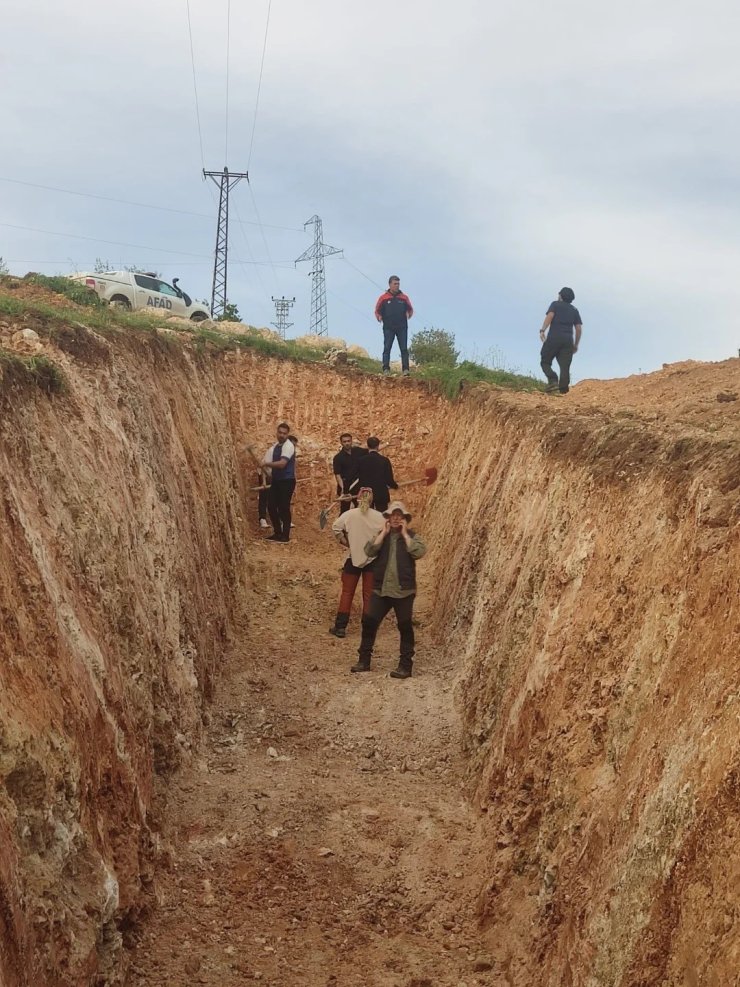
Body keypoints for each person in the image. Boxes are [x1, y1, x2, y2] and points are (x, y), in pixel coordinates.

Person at [351, 501, 426, 678]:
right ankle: (364, 660)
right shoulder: (381, 536)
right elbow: (369, 551)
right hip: (381, 589)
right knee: (369, 623)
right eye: (393, 515)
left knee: (405, 626)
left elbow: (418, 552)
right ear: (388, 518)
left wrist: (406, 534)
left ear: (404, 519)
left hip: (404, 591)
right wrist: (383, 533)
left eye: (399, 516)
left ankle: (405, 666)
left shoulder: (413, 537)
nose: (396, 518)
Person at [329, 488, 385, 638]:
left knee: (347, 593)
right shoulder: (380, 517)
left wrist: (346, 542)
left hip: (353, 557)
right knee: (368, 595)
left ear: (358, 498)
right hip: (372, 559)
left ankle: (340, 627)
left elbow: (336, 527)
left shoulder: (349, 514)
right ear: (372, 499)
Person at [539, 287, 583, 395]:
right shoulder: (574, 310)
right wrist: (576, 344)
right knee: (565, 366)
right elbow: (578, 328)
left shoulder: (555, 304)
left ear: (561, 296)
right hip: (568, 340)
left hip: (554, 337)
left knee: (545, 361)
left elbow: (550, 316)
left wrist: (542, 330)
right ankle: (564, 391)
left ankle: (553, 380)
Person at [262, 423, 296, 542]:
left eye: (284, 433)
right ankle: (277, 533)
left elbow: (282, 464)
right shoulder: (275, 447)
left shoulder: (288, 446)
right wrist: (266, 468)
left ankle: (285, 535)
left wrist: (266, 464)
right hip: (277, 480)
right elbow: (269, 462)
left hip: (287, 481)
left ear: (287, 434)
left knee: (283, 507)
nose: (281, 435)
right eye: (280, 432)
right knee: (271, 506)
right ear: (277, 433)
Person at [374, 275, 414, 376]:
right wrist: (378, 317)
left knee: (404, 348)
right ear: (390, 284)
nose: (397, 286)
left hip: (402, 327)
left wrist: (409, 314)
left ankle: (406, 370)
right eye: (395, 284)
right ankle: (386, 369)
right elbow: (377, 310)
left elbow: (410, 309)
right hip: (388, 327)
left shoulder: (404, 297)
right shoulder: (383, 298)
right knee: (387, 347)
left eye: (398, 284)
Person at [354, 437, 398, 513]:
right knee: (381, 517)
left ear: (367, 446)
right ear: (378, 446)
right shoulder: (384, 460)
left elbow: (356, 477)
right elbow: (389, 479)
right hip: (381, 493)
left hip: (366, 494)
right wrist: (395, 486)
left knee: (366, 517)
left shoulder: (360, 460)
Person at [332, 433, 368, 515]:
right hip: (345, 486)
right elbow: (338, 475)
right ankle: (341, 527)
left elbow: (373, 450)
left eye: (348, 441)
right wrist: (344, 489)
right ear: (341, 443)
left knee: (361, 510)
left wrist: (387, 444)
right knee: (345, 511)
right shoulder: (338, 458)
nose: (347, 443)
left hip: (358, 486)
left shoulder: (358, 451)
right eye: (344, 441)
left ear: (351, 441)